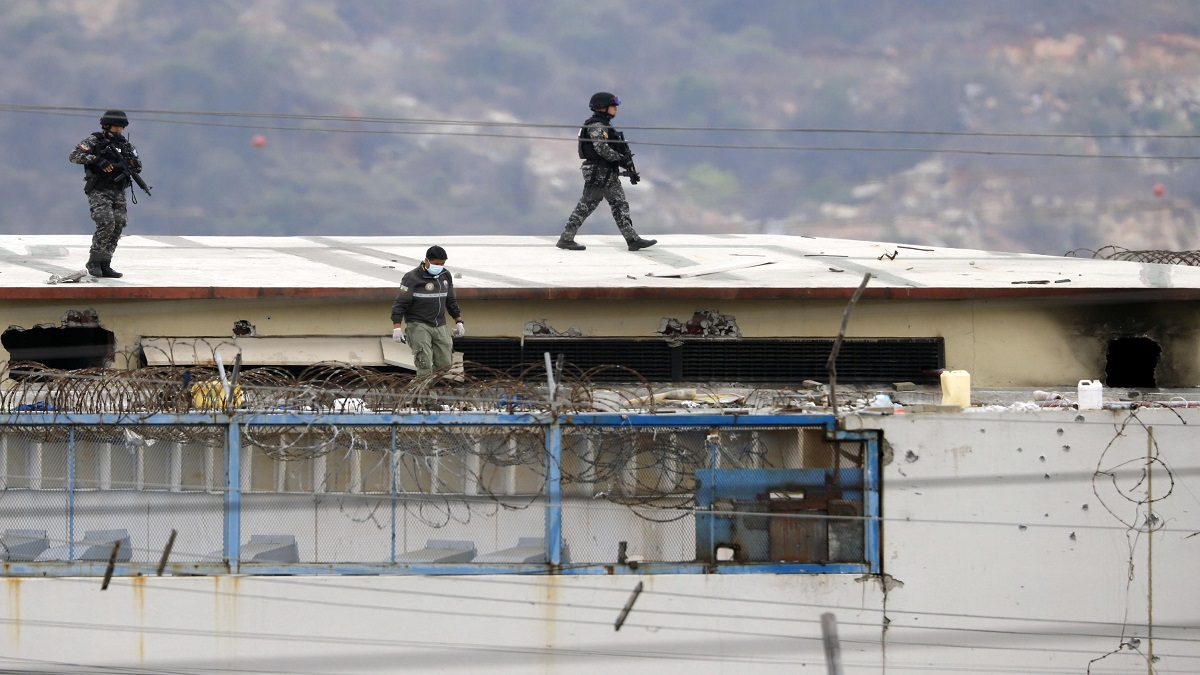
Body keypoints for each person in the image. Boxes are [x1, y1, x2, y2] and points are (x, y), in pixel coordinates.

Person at [556, 92, 657, 252]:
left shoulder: (604, 125)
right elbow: (601, 148)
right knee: (588, 205)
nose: (616, 109)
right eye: (613, 106)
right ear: (602, 107)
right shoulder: (597, 126)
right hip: (599, 172)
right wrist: (621, 159)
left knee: (619, 204)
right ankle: (566, 238)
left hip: (606, 172)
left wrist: (624, 161)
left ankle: (632, 239)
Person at [68, 110, 144, 278]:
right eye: (116, 126)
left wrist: (131, 163)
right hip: (99, 189)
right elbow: (74, 155)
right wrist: (96, 160)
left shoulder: (127, 146)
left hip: (118, 190)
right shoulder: (94, 141)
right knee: (106, 222)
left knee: (119, 223)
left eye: (121, 127)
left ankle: (105, 262)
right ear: (106, 125)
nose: (119, 130)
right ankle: (94, 261)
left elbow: (137, 166)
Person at [390, 245, 465, 376]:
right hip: (419, 324)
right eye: (436, 263)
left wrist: (458, 321)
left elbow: (451, 300)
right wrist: (397, 327)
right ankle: (427, 396)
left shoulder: (445, 276)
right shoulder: (412, 277)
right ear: (427, 261)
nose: (440, 266)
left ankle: (417, 388)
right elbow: (400, 303)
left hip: (440, 324)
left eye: (442, 263)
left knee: (445, 364)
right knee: (424, 363)